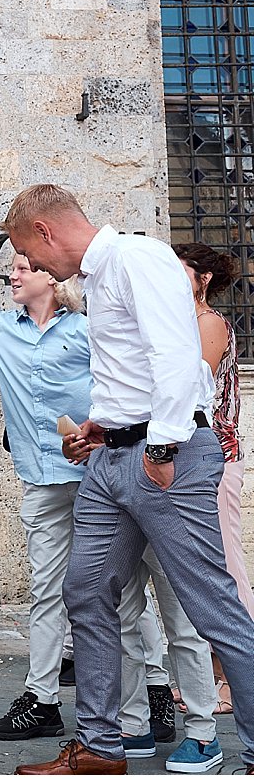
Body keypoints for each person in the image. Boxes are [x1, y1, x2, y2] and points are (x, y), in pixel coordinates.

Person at [6, 184, 254, 775]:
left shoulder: (138, 258)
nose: (35, 267)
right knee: (86, 592)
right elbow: (134, 367)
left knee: (212, 605)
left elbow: (176, 357)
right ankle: (100, 746)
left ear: (45, 231)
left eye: (30, 253)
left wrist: (162, 446)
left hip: (162, 457)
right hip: (112, 459)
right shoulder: (100, 275)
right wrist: (102, 425)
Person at [0, 255, 91, 741]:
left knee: (123, 590)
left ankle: (153, 690)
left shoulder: (88, 330)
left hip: (98, 477)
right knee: (46, 590)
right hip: (42, 480)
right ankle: (42, 699)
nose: (12, 275)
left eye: (23, 268)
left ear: (51, 275)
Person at [175, 241, 253, 716]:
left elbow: (190, 385)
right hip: (190, 461)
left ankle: (234, 682)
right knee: (202, 571)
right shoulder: (179, 325)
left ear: (203, 279)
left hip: (217, 462)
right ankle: (212, 677)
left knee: (225, 569)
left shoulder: (208, 324)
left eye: (178, 272)